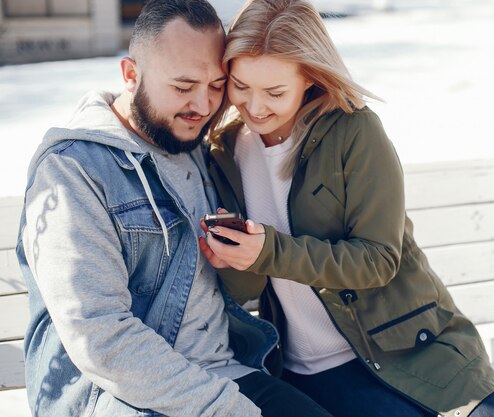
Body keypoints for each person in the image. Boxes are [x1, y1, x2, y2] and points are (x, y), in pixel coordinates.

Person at [16, 1, 334, 416]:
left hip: (226, 374)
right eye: (183, 87)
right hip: (119, 395)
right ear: (131, 75)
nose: (202, 107)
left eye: (216, 86)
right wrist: (227, 409)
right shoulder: (73, 170)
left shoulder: (197, 149)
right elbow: (100, 336)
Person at [200, 1, 494, 416]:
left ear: (310, 76)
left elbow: (378, 259)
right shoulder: (224, 152)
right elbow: (247, 290)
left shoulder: (355, 131)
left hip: (414, 350)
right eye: (241, 86)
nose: (255, 107)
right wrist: (230, 258)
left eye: (275, 92)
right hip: (304, 372)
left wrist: (269, 251)